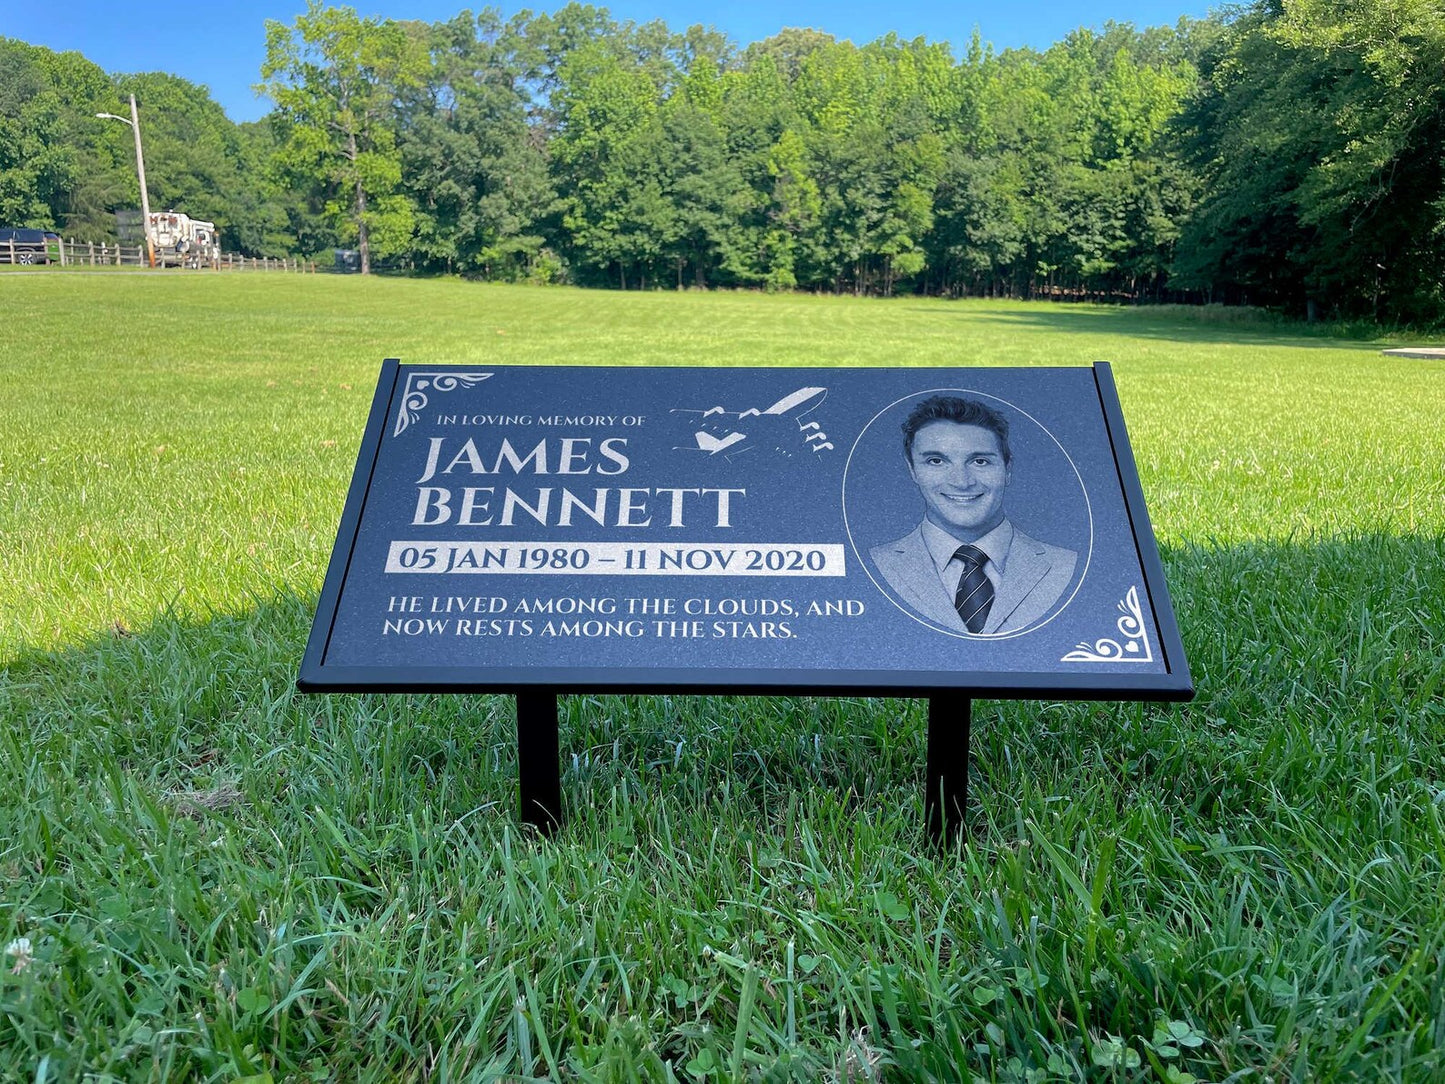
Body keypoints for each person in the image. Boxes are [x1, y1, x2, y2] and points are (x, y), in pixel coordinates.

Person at [869, 395, 1077, 636]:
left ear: (1007, 470)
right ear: (913, 470)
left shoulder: (1067, 565)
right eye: (936, 461)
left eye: (979, 461)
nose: (961, 482)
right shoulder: (874, 565)